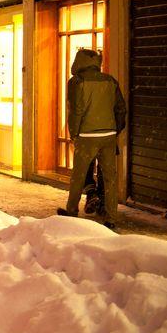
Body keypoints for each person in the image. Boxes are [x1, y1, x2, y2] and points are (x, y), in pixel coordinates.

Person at [57, 48, 127, 229]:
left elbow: (76, 110)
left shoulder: (76, 82)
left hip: (87, 135)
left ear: (78, 62)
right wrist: (115, 129)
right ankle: (111, 217)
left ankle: (72, 210)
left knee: (79, 175)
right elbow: (121, 108)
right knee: (110, 176)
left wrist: (74, 133)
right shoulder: (110, 80)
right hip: (108, 135)